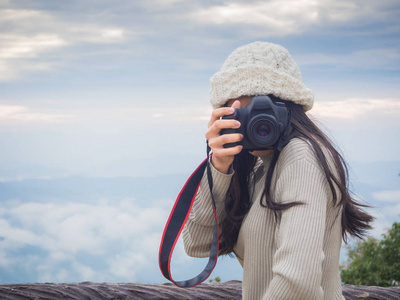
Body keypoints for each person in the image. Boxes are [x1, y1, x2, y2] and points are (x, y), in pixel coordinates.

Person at [182, 41, 374, 300]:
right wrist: (218, 166)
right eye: (242, 111)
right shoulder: (259, 167)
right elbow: (197, 243)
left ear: (288, 107)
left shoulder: (301, 157)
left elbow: (298, 283)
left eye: (266, 106)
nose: (258, 121)